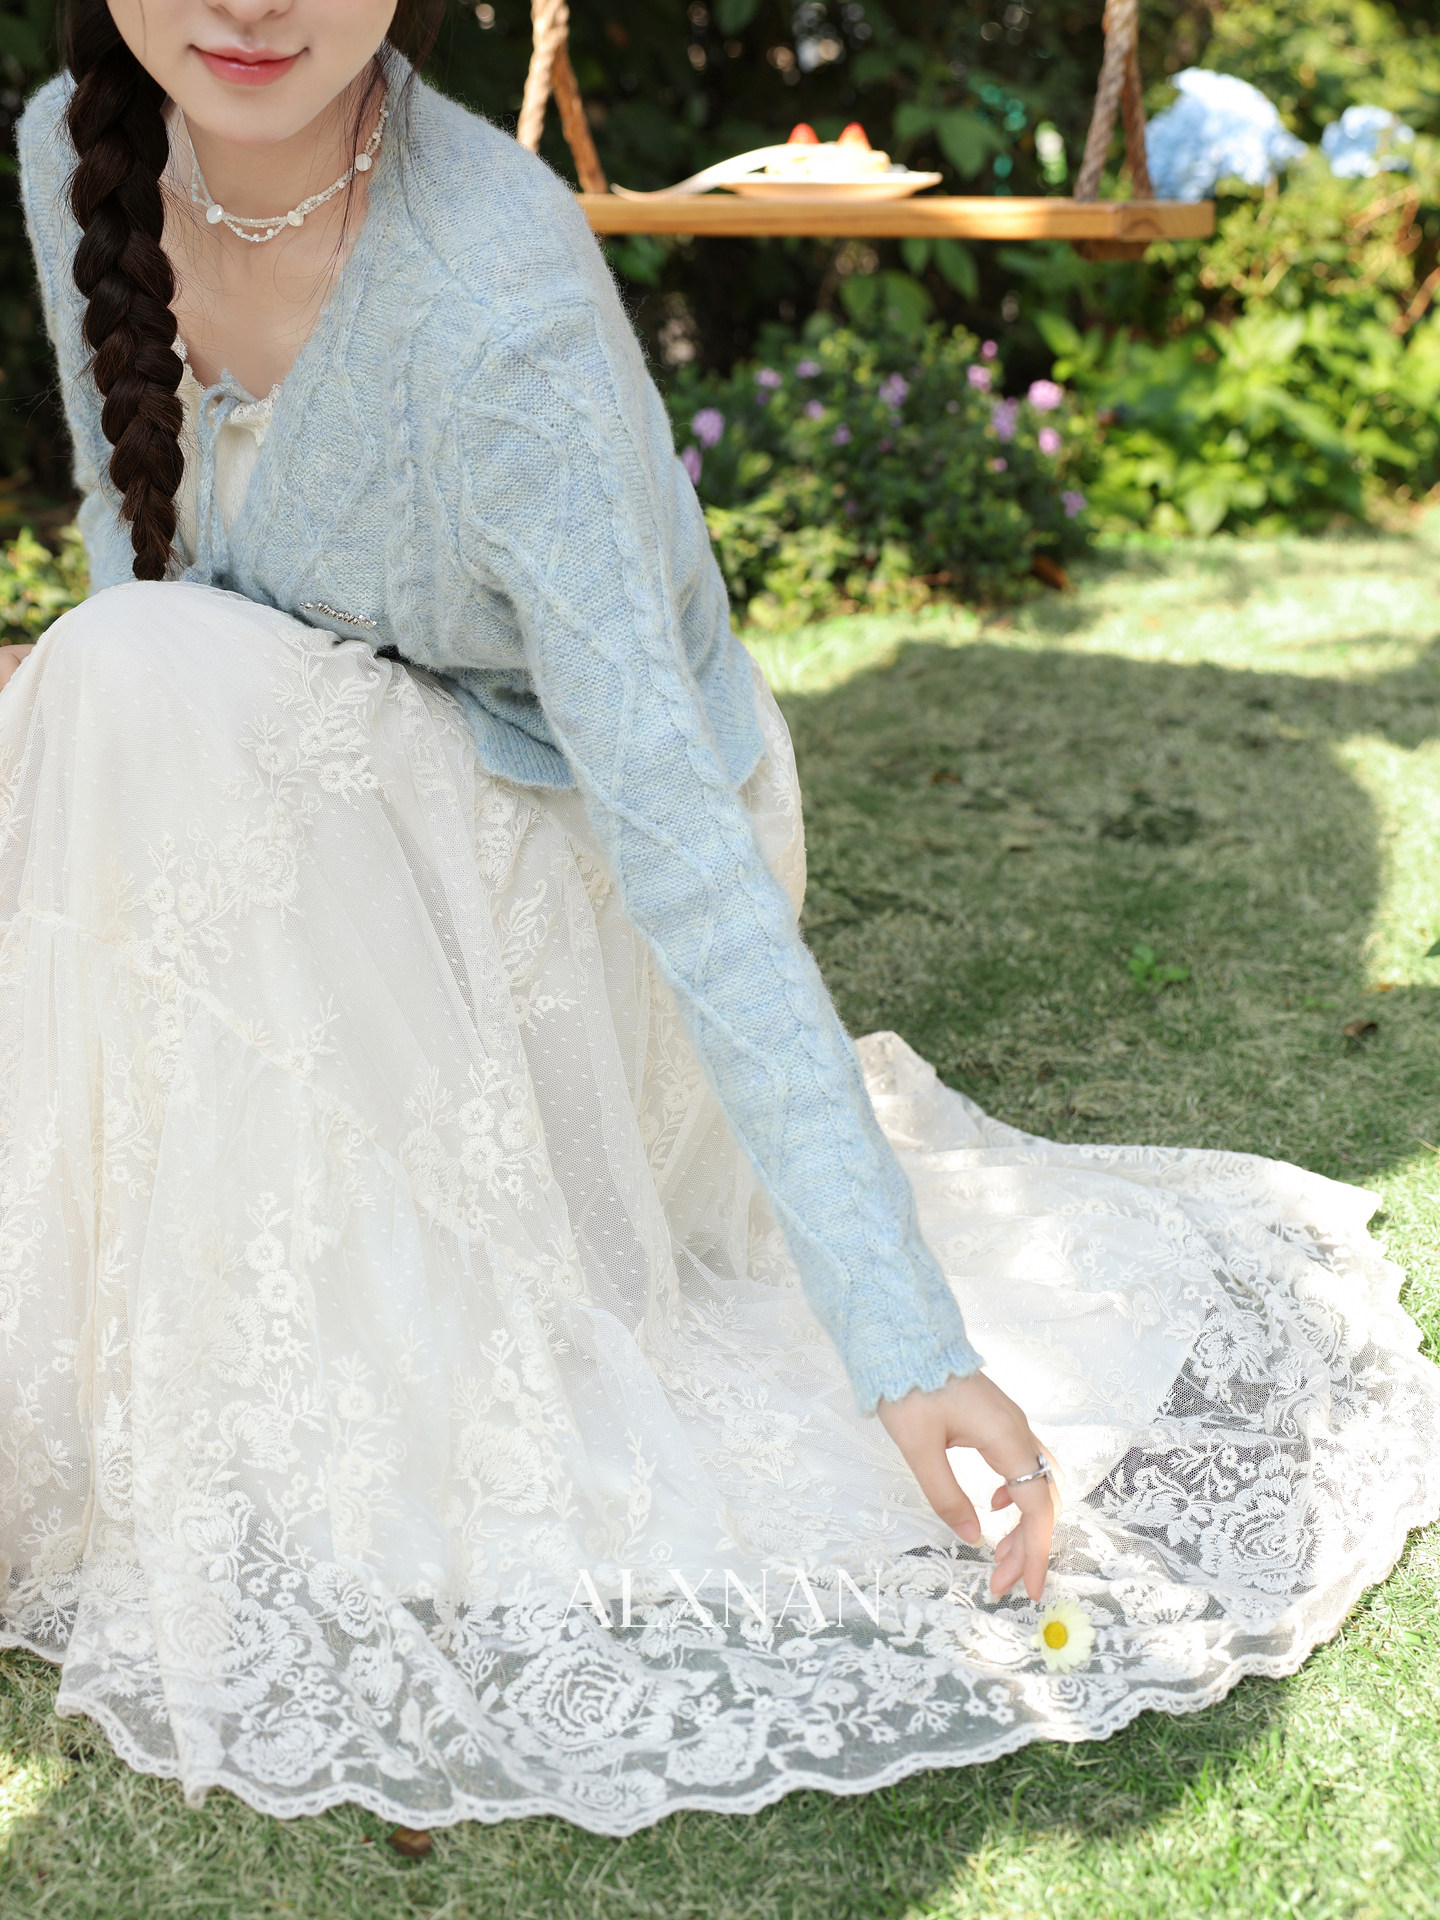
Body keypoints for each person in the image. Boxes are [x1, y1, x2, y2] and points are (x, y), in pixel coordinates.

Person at [1, 0, 1435, 1839]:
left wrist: (907, 1349)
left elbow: (678, 835)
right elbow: (144, 570)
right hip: (332, 769)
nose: (251, 4)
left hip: (588, 843)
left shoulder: (493, 287)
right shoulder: (75, 146)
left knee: (114, 677)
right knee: (98, 684)